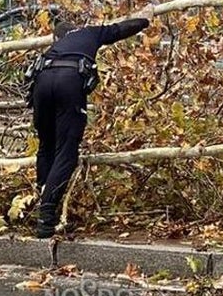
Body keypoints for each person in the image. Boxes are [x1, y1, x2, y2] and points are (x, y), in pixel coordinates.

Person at [30, 14, 150, 238]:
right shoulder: (88, 33)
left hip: (42, 80)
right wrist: (146, 20)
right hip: (69, 80)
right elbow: (120, 29)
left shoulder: (55, 46)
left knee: (46, 144)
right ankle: (46, 216)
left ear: (57, 37)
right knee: (66, 151)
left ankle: (41, 197)